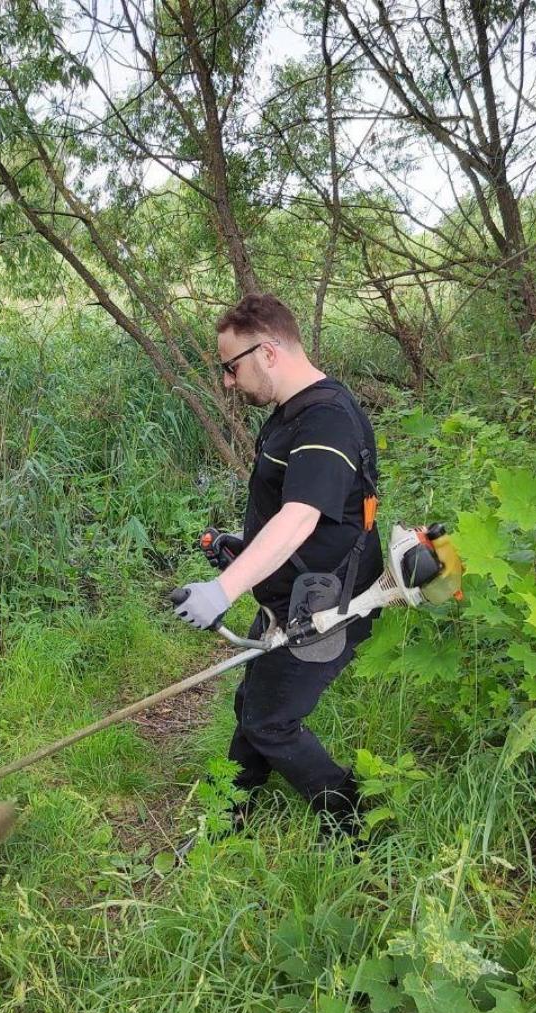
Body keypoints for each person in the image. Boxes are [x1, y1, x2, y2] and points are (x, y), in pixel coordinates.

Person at [171, 294, 381, 837]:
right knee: (254, 705)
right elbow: (295, 512)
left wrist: (223, 589)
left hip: (328, 604)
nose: (227, 381)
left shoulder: (327, 419)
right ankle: (226, 817)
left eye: (230, 367)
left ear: (266, 351)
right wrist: (245, 546)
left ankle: (355, 826)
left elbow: (302, 517)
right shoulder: (290, 414)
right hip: (289, 596)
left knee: (272, 720)